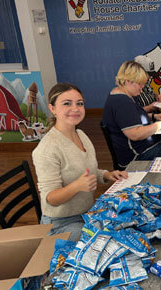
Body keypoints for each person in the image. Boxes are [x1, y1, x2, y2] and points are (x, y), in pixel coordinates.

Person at [32, 83, 128, 241]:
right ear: (52, 108)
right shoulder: (46, 150)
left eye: (80, 103)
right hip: (60, 224)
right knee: (111, 240)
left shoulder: (81, 134)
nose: (75, 109)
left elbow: (88, 171)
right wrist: (77, 186)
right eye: (67, 103)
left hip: (86, 213)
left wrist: (107, 175)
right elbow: (50, 198)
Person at [102, 61, 161, 169]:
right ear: (128, 81)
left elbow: (131, 117)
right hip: (135, 155)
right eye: (140, 84)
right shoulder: (122, 103)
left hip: (142, 145)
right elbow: (135, 134)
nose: (142, 88)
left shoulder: (122, 94)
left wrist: (154, 117)